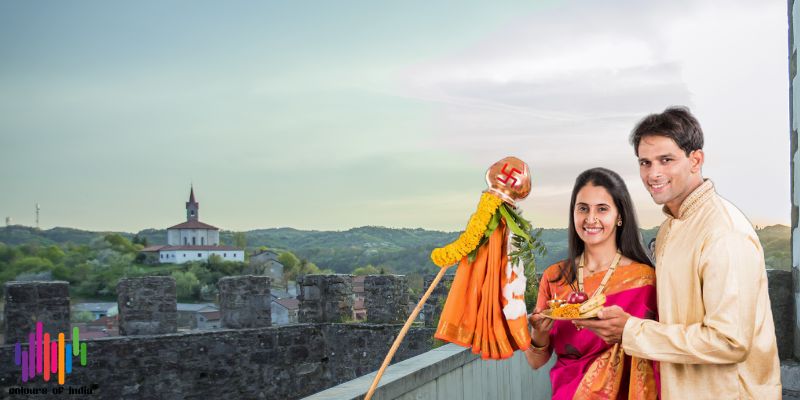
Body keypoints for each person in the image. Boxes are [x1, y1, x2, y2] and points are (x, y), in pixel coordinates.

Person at [576, 107, 781, 398]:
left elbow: (729, 341)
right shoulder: (671, 228)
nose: (653, 174)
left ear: (696, 160)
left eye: (666, 160)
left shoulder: (723, 233)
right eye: (645, 163)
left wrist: (631, 331)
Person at [524, 167, 659, 399]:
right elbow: (535, 362)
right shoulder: (555, 277)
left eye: (602, 209)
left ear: (619, 216)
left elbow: (662, 347)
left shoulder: (646, 280)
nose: (591, 219)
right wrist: (538, 334)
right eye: (583, 209)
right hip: (569, 392)